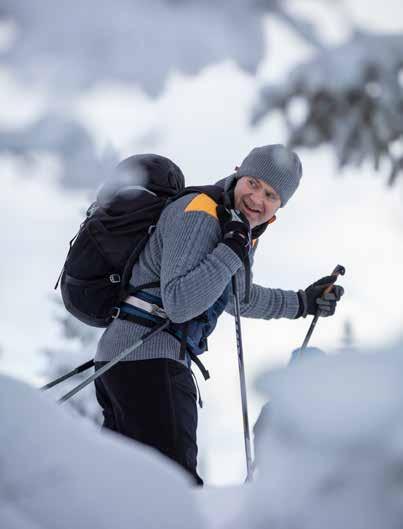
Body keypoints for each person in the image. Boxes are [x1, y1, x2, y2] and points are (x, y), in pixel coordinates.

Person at [94, 144, 344, 485]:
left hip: (140, 360)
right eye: (253, 183)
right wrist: (231, 249)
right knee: (177, 490)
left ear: (279, 207)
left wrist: (303, 302)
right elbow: (180, 302)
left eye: (271, 195)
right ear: (238, 170)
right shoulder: (201, 213)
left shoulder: (235, 225)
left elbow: (237, 298)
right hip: (144, 358)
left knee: (130, 489)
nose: (257, 198)